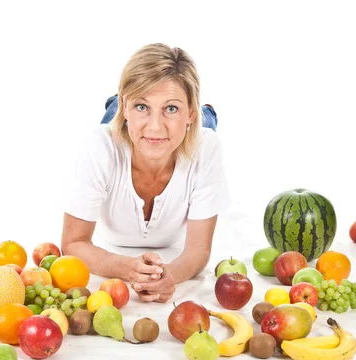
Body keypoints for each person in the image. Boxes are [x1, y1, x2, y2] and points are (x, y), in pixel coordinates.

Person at [61, 43, 230, 303]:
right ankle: (123, 105)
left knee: (205, 127)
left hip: (192, 131)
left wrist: (167, 277)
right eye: (141, 106)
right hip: (121, 130)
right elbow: (72, 243)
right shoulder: (99, 148)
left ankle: (202, 112)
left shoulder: (205, 147)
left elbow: (198, 250)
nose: (155, 125)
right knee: (116, 128)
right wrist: (129, 268)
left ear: (189, 113)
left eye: (171, 108)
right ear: (125, 108)